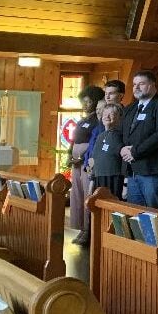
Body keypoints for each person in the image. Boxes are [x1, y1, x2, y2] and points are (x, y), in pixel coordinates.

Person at [120, 71, 158, 209]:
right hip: (132, 170)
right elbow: (121, 133)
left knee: (154, 213)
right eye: (134, 84)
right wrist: (121, 148)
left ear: (152, 85)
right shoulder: (130, 108)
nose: (136, 87)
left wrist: (135, 151)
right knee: (135, 214)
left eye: (141, 84)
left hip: (152, 171)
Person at [69, 86, 104, 245]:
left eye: (88, 102)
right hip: (75, 161)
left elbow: (94, 143)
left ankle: (88, 230)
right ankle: (80, 227)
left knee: (86, 196)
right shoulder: (82, 120)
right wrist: (70, 154)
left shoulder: (97, 121)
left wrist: (82, 157)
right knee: (77, 195)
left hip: (85, 162)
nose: (85, 105)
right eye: (83, 102)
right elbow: (73, 140)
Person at [90, 103, 127, 220]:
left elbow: (125, 160)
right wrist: (92, 180)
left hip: (114, 179)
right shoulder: (101, 136)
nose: (107, 116)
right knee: (98, 213)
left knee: (112, 213)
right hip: (99, 178)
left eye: (111, 114)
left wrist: (126, 182)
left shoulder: (121, 136)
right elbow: (95, 159)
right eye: (105, 114)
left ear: (120, 118)